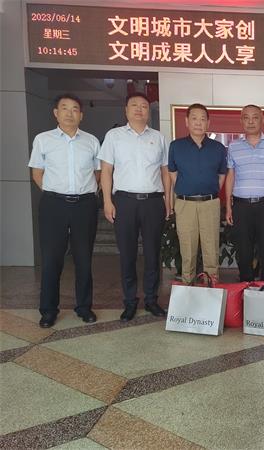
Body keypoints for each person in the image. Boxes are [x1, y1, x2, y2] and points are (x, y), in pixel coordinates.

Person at [28, 93, 101, 328]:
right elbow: (37, 173)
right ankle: (49, 310)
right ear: (56, 113)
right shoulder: (43, 140)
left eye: (75, 109)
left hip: (84, 205)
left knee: (84, 259)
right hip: (54, 205)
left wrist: (82, 193)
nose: (70, 113)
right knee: (51, 259)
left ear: (81, 115)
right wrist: (55, 193)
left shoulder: (91, 141)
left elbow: (98, 173)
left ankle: (84, 307)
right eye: (65, 108)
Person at [99, 92, 171, 322]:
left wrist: (168, 200)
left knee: (152, 253)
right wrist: (107, 201)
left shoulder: (159, 138)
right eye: (134, 105)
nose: (139, 109)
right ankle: (130, 301)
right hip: (125, 202)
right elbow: (106, 171)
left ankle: (151, 299)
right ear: (126, 110)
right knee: (127, 254)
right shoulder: (114, 136)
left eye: (144, 106)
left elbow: (165, 172)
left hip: (153, 202)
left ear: (149, 111)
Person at [224, 105, 264, 282]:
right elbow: (230, 176)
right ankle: (245, 286)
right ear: (241, 121)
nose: (251, 121)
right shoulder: (234, 146)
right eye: (246, 118)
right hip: (241, 206)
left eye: (255, 117)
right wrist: (228, 206)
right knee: (243, 251)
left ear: (262, 120)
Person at [168, 104, 226, 284]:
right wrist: (187, 189)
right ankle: (188, 288)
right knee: (188, 250)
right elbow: (173, 174)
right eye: (194, 118)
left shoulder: (218, 148)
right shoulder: (176, 146)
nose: (198, 123)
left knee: (211, 249)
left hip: (210, 203)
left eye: (203, 119)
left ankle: (211, 287)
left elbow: (221, 176)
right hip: (185, 204)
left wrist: (208, 190)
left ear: (208, 122)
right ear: (187, 121)